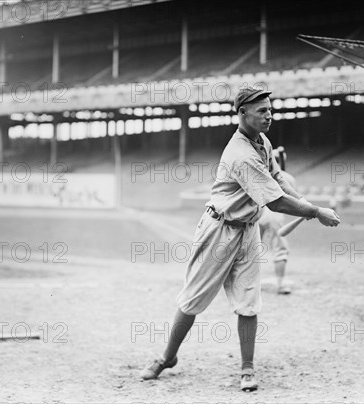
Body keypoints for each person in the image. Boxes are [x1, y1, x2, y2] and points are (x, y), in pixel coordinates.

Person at [139, 86, 340, 392]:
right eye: (262, 111)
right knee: (192, 300)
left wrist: (307, 202)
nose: (269, 115)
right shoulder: (240, 154)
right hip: (219, 230)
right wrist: (315, 212)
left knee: (249, 303)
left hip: (247, 229)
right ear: (242, 113)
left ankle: (247, 368)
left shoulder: (262, 141)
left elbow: (278, 178)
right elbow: (275, 201)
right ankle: (167, 357)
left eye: (271, 110)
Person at [258, 170, 297, 295]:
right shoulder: (287, 177)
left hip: (257, 213)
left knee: (251, 250)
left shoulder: (258, 173)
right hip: (274, 215)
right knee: (280, 249)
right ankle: (280, 285)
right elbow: (292, 199)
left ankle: (246, 283)